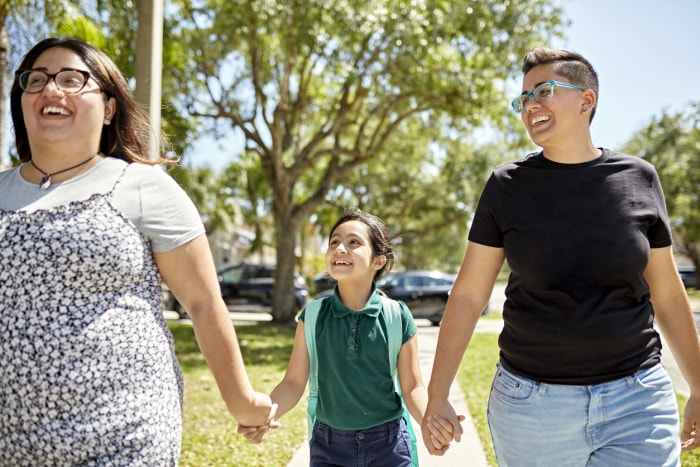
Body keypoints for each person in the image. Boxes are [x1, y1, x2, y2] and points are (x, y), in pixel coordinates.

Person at [0, 37, 277, 464]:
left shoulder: (143, 187)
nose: (51, 89)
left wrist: (242, 401)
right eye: (36, 80)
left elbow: (203, 302)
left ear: (109, 107)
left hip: (123, 434)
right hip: (11, 442)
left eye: (72, 79)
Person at [421, 46, 700, 466]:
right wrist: (438, 394)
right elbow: (467, 296)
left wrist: (698, 385)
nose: (530, 105)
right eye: (524, 98)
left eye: (544, 91)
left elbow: (668, 293)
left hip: (638, 402)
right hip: (532, 408)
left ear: (586, 100)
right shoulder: (506, 185)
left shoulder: (639, 178)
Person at [239, 208, 456, 465]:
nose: (340, 248)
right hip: (329, 447)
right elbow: (294, 382)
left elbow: (412, 387)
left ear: (378, 260)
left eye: (354, 242)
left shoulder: (397, 316)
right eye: (334, 242)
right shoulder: (313, 316)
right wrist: (267, 413)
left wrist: (429, 423)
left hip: (389, 445)